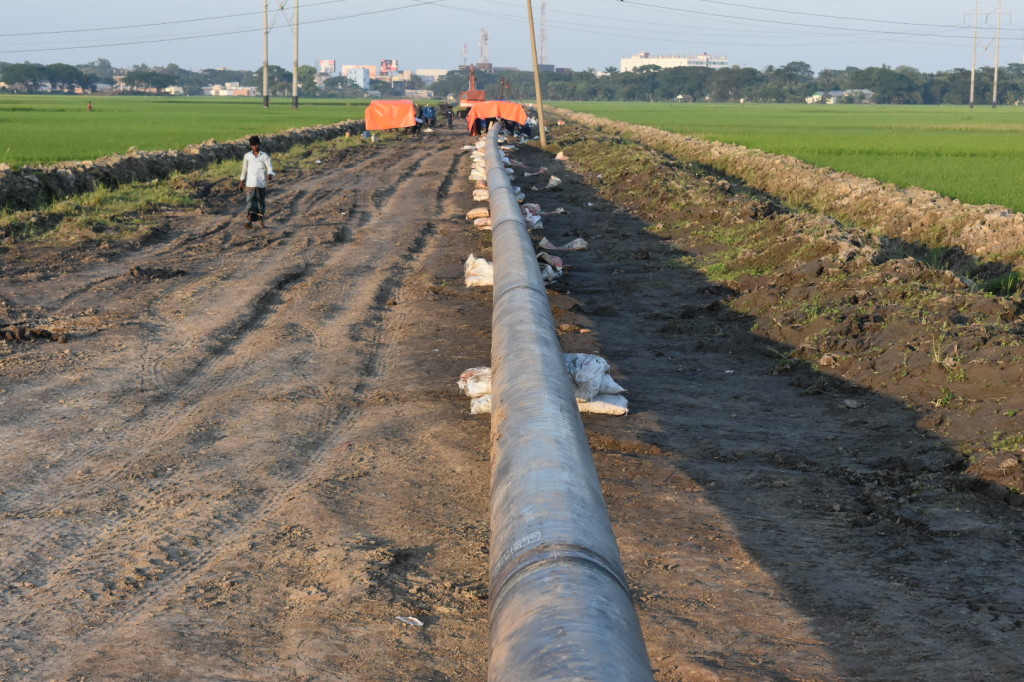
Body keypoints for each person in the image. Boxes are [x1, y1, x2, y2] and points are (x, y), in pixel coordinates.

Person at [238, 135, 275, 228]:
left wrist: (270, 174)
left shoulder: (264, 156)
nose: (255, 147)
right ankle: (249, 221)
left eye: (257, 145)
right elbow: (244, 169)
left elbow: (269, 167)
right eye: (253, 145)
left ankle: (261, 222)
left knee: (260, 203)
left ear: (259, 144)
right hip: (250, 184)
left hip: (261, 184)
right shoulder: (247, 156)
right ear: (251, 146)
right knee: (250, 202)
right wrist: (241, 181)